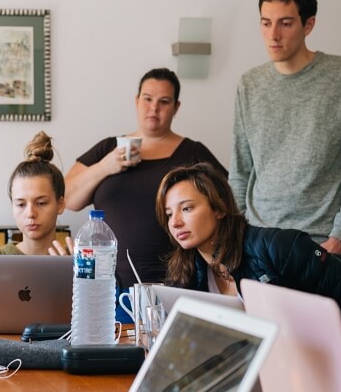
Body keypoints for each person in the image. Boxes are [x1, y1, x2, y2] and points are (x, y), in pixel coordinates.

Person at [157, 163, 341, 366]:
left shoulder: (280, 247)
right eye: (169, 214)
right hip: (250, 379)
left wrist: (337, 361)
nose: (175, 222)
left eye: (186, 208)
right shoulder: (186, 271)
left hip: (309, 375)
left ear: (219, 208)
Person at [230, 0, 341, 256]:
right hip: (258, 241)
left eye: (285, 23)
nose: (273, 35)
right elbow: (240, 171)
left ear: (308, 25)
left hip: (321, 244)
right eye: (265, 22)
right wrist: (237, 234)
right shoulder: (250, 84)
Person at [65, 68, 225, 305]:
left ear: (176, 107)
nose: (154, 108)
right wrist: (105, 167)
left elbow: (226, 207)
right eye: (147, 99)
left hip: (179, 285)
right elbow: (67, 198)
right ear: (136, 100)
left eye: (164, 102)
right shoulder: (108, 148)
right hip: (107, 288)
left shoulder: (194, 153)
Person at [0, 132, 68, 256]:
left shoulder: (79, 263)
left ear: (60, 204)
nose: (30, 214)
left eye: (41, 203)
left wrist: (72, 274)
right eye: (21, 204)